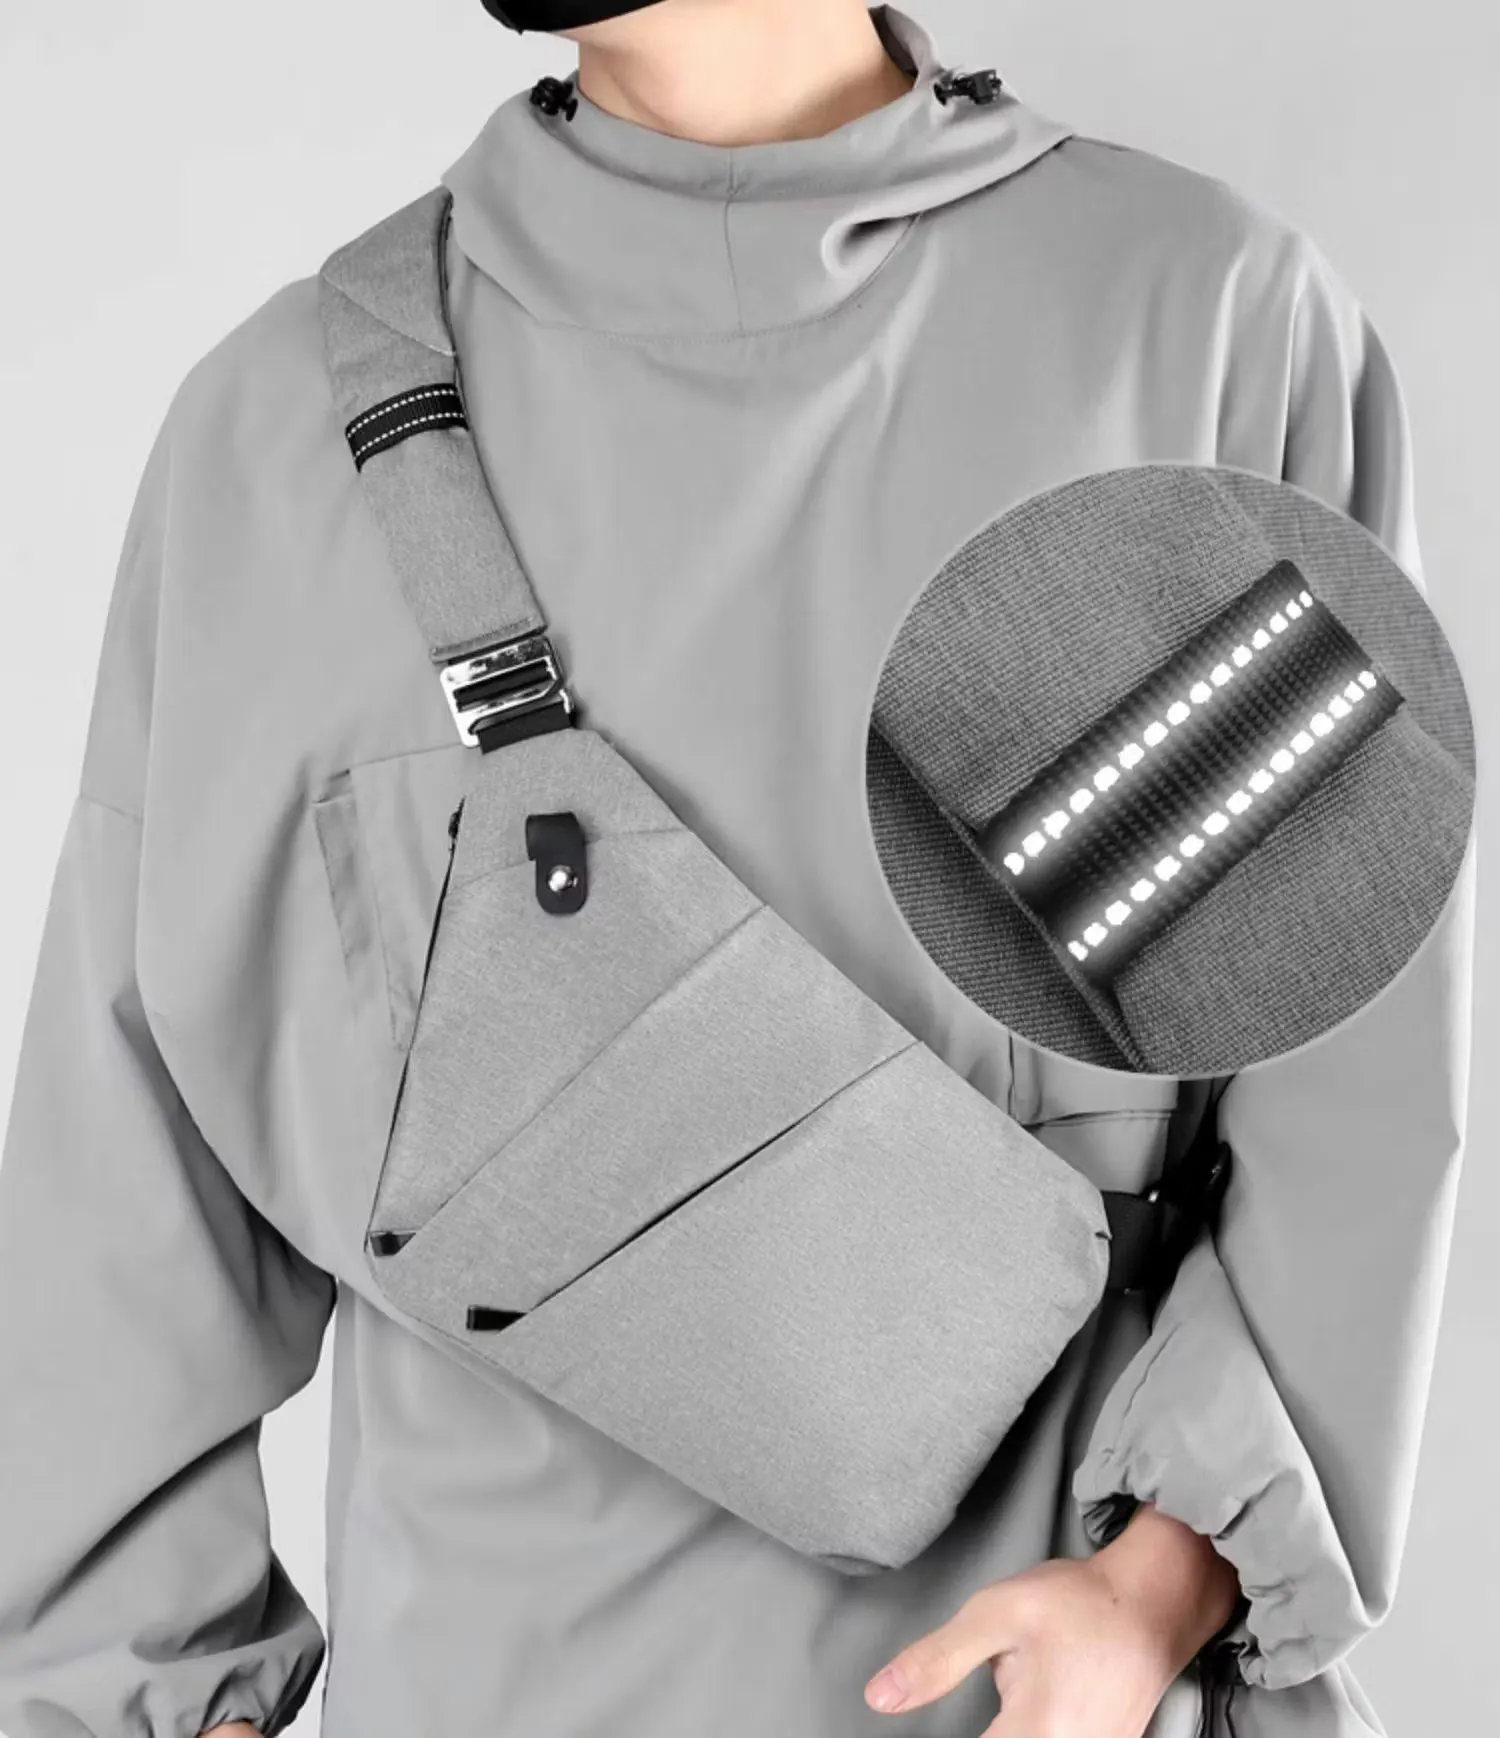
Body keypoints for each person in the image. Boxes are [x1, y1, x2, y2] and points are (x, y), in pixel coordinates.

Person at [0, 3, 1471, 1737]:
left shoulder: (1206, 324)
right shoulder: (273, 438)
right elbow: (124, 1211)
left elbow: (1351, 1096)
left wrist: (1157, 1591)